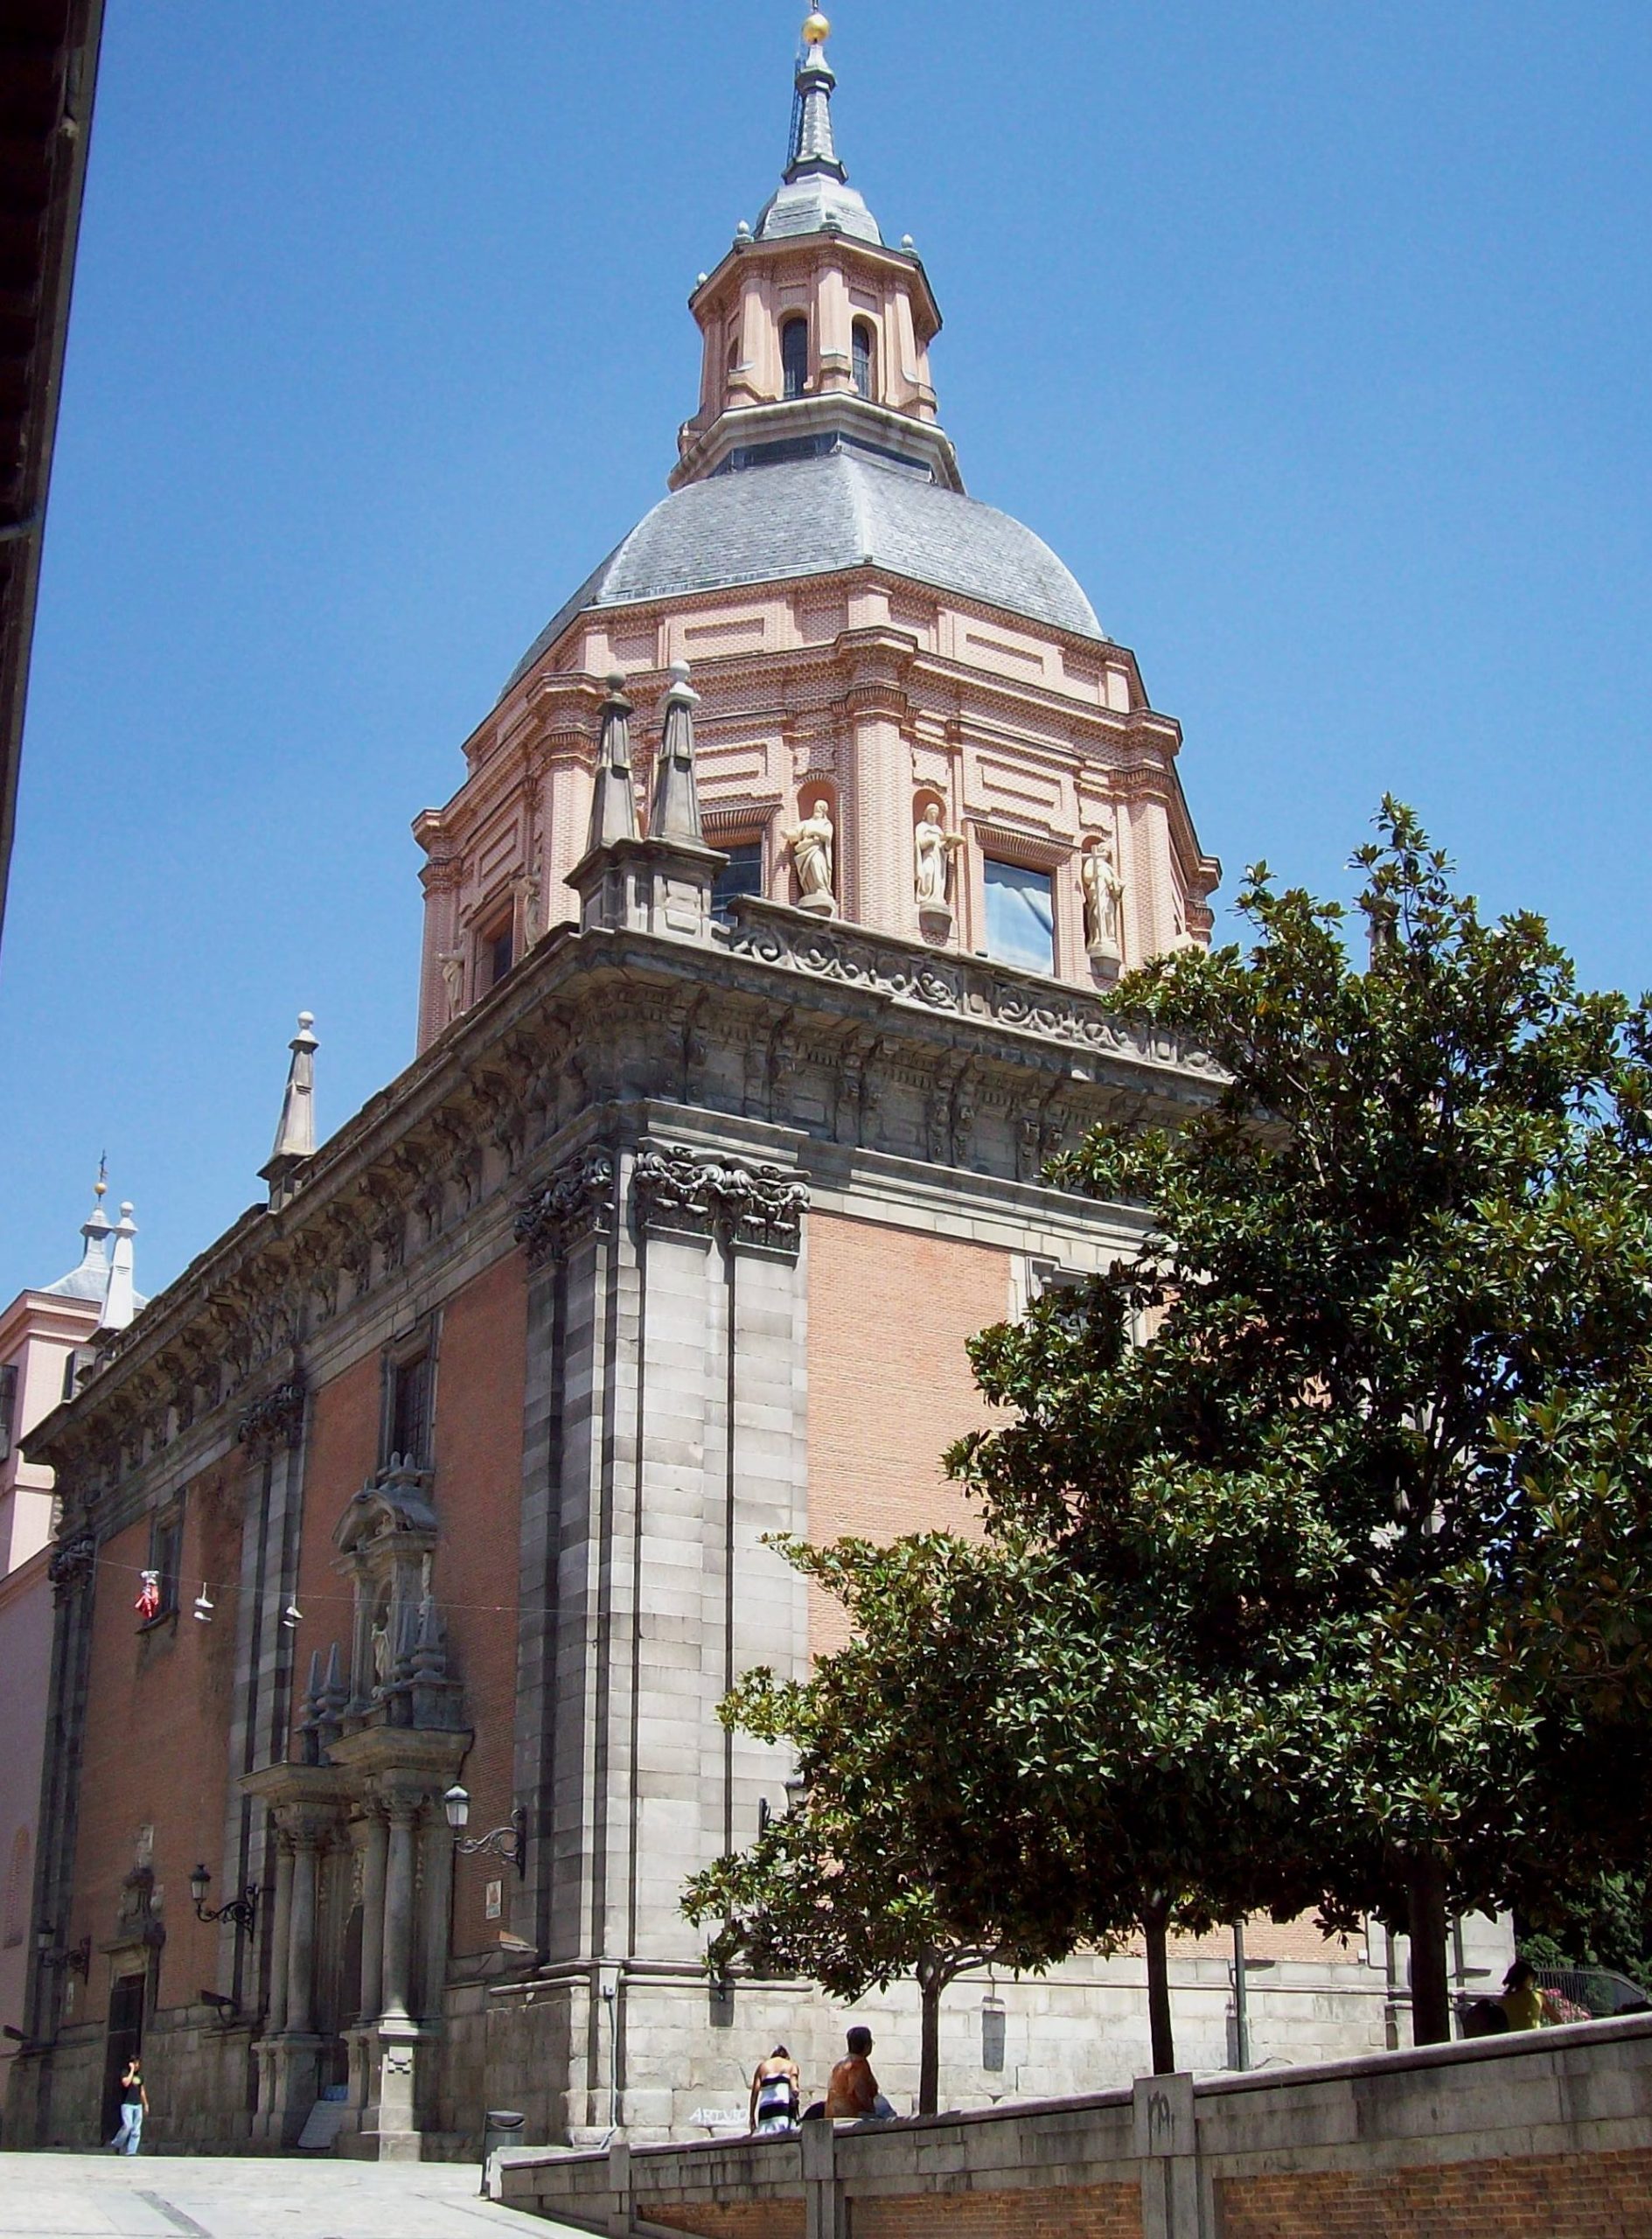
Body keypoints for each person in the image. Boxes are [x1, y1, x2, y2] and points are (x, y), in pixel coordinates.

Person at [824, 2025, 896, 2121]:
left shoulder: (840, 2064)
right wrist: (873, 2111)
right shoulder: (858, 2065)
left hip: (831, 2115)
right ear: (866, 2046)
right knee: (888, 2115)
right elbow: (861, 2092)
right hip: (852, 2115)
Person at [749, 2043, 801, 2135]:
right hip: (784, 2109)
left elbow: (755, 2093)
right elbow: (794, 2087)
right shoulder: (791, 2066)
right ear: (786, 2057)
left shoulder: (763, 2067)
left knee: (766, 2138)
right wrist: (795, 2094)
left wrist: (752, 2116)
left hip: (766, 2110)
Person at [1501, 1958, 1551, 2031]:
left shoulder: (1503, 2001)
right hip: (1534, 2038)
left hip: (1513, 2039)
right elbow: (1558, 2019)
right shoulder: (1537, 1996)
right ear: (1528, 1977)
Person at [110, 2058, 148, 2154]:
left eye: (138, 2063)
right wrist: (131, 2070)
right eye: (134, 2063)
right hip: (127, 2104)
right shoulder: (125, 2073)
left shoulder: (140, 2076)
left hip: (137, 2104)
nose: (136, 2065)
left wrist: (145, 2104)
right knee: (128, 2126)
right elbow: (126, 2083)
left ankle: (131, 2151)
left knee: (136, 2129)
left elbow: (142, 2091)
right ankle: (117, 2143)